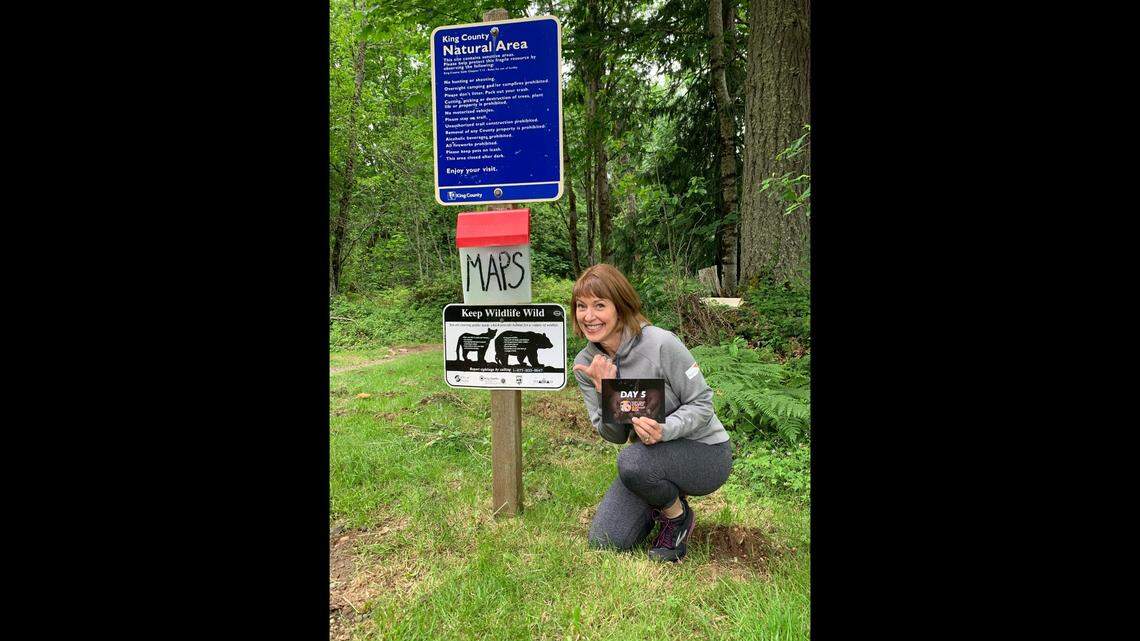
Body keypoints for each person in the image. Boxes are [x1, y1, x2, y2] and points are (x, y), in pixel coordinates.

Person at [570, 264, 732, 562]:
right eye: (581, 306)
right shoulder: (587, 363)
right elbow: (615, 437)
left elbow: (702, 403)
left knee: (631, 462)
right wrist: (607, 392)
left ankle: (676, 517)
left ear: (620, 306)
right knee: (606, 540)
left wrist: (664, 429)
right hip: (650, 458)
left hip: (705, 452)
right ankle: (661, 492)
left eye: (599, 305)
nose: (588, 316)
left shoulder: (660, 343)